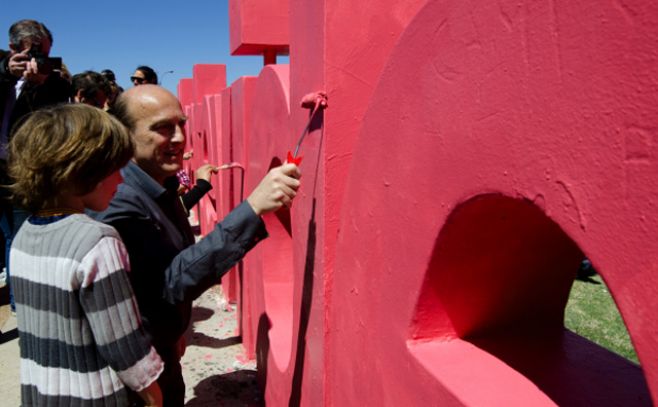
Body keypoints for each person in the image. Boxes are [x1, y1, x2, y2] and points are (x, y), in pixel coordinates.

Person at [94, 84, 301, 406]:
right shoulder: (119, 202)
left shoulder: (157, 185)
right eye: (162, 127)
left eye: (182, 125)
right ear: (124, 135)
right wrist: (252, 208)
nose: (178, 137)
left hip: (160, 346)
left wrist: (174, 330)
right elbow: (170, 282)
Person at [7, 104, 164, 406]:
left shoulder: (24, 234)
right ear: (81, 172)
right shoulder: (97, 241)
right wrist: (153, 393)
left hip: (41, 394)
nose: (121, 180)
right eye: (114, 169)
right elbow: (124, 345)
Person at [0, 19, 70, 314]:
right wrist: (5, 74)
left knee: (17, 236)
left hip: (20, 171)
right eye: (34, 53)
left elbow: (53, 119)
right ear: (14, 48)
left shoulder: (53, 81)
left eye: (44, 53)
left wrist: (38, 85)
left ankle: (20, 304)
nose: (38, 60)